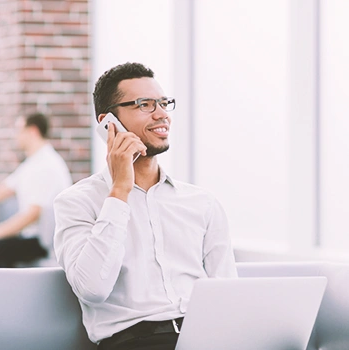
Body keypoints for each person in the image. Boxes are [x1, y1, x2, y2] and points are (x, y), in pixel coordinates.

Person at [54, 62, 237, 350]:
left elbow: (228, 294)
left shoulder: (202, 203)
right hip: (134, 342)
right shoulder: (77, 202)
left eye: (164, 103)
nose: (162, 113)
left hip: (205, 339)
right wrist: (120, 191)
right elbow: (92, 289)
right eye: (145, 105)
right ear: (108, 122)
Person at [0, 112, 72, 267]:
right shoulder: (32, 163)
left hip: (42, 243)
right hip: (29, 239)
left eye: (19, 130)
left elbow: (32, 214)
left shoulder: (47, 165)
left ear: (32, 131)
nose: (16, 136)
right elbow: (5, 190)